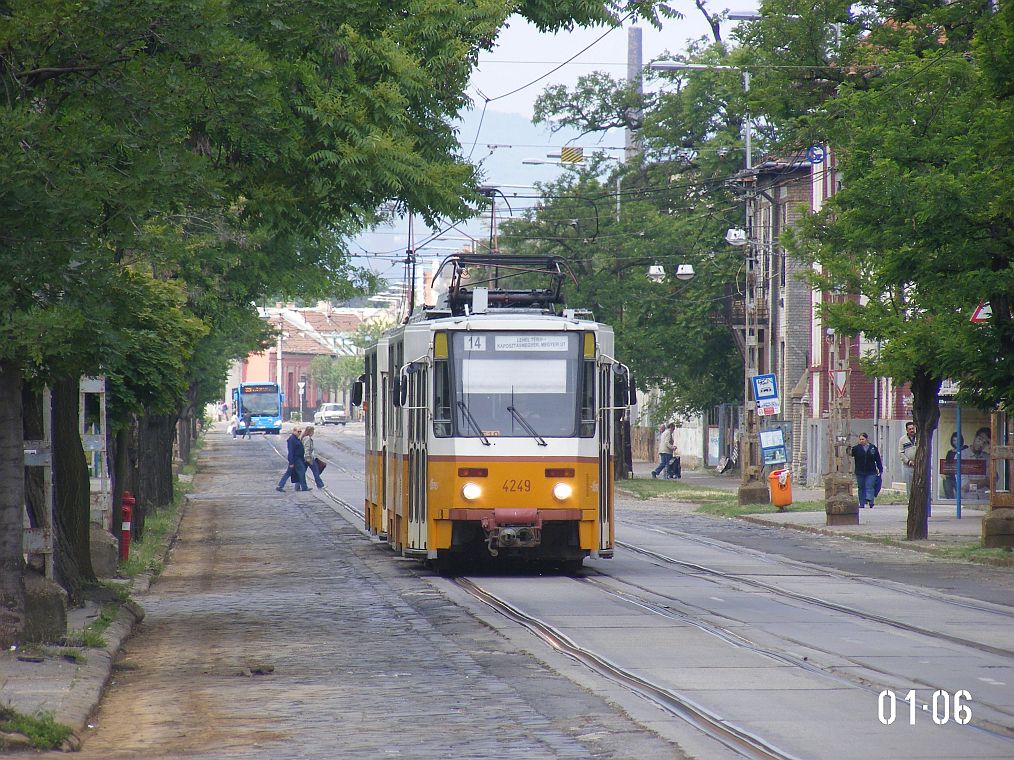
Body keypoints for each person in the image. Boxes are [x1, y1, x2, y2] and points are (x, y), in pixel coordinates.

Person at [850, 432, 883, 509]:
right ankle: (862, 502)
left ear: (867, 439)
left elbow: (877, 459)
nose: (861, 441)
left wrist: (880, 469)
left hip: (871, 471)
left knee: (869, 486)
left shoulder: (873, 448)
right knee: (861, 487)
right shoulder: (856, 448)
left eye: (863, 439)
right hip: (860, 471)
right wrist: (848, 448)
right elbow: (850, 454)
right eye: (860, 439)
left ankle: (870, 500)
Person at [963, 426, 992, 499]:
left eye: (985, 442)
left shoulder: (988, 458)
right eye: (980, 439)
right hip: (968, 501)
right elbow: (965, 486)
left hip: (985, 500)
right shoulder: (962, 456)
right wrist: (985, 482)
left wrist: (974, 483)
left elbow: (992, 483)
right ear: (975, 437)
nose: (981, 444)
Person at [276, 426, 308, 492]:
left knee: (289, 473)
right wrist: (291, 462)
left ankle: (280, 486)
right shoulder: (292, 439)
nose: (299, 433)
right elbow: (291, 451)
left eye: (300, 431)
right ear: (294, 431)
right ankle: (304, 487)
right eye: (298, 431)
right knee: (301, 471)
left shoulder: (296, 438)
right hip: (295, 459)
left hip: (297, 459)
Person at [942, 431, 967, 499]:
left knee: (961, 496)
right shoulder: (950, 452)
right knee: (949, 495)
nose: (956, 442)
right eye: (954, 440)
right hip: (949, 476)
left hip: (959, 477)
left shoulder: (965, 449)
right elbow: (946, 464)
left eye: (957, 440)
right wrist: (943, 474)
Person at [897, 421, 918, 495]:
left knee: (918, 483)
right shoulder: (903, 440)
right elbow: (901, 452)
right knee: (909, 484)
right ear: (906, 430)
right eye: (910, 429)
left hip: (919, 465)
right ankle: (910, 499)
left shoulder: (919, 438)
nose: (912, 430)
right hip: (908, 465)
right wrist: (908, 461)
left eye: (913, 428)